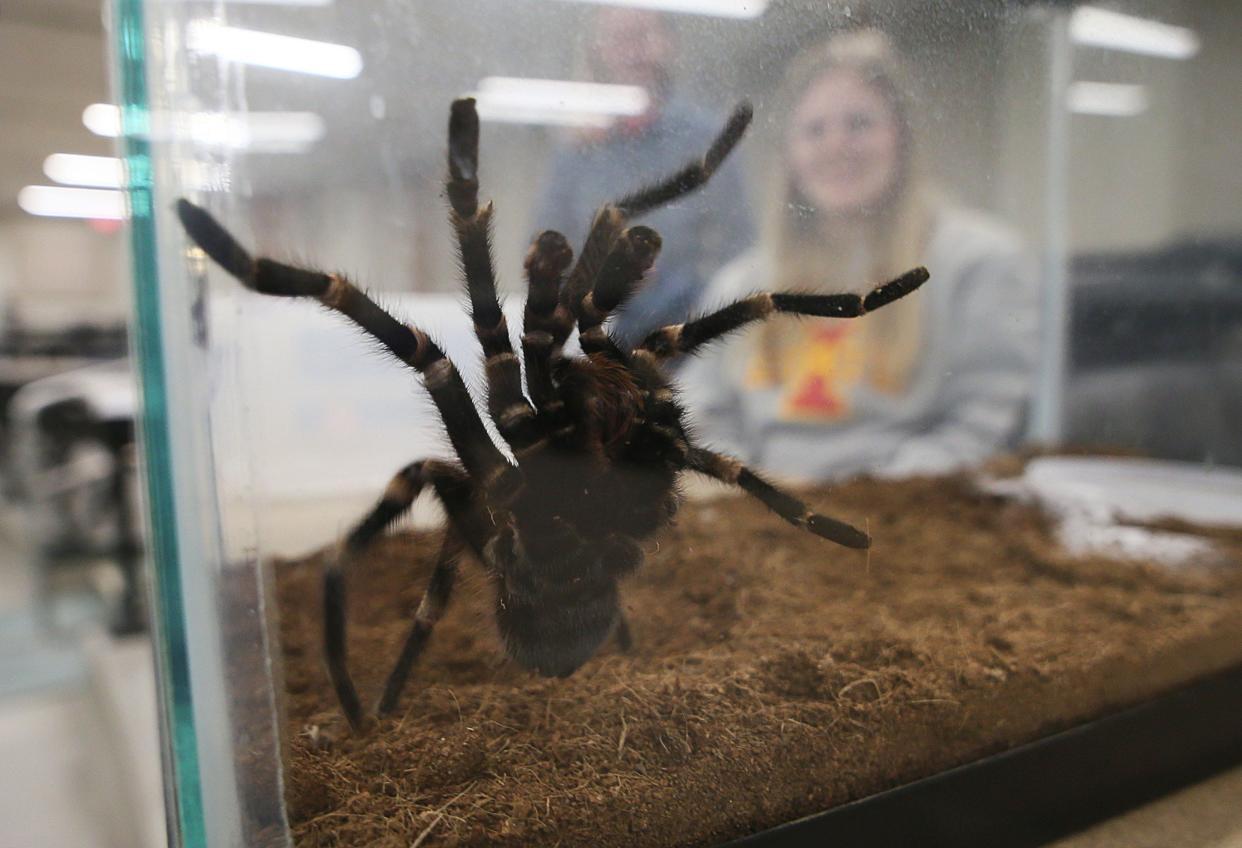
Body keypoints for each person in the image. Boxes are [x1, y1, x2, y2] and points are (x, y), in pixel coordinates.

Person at [680, 30, 1040, 482]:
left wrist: (858, 506)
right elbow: (700, 413)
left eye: (859, 123)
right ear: (789, 153)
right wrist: (755, 494)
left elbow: (981, 425)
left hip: (913, 520)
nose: (835, 146)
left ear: (903, 137)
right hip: (762, 520)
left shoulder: (977, 262)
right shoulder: (743, 281)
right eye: (814, 130)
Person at [533, 8, 753, 347]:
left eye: (642, 35)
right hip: (597, 343)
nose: (632, 52)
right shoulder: (576, 151)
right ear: (598, 49)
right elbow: (542, 250)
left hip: (696, 339)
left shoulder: (708, 140)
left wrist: (688, 290)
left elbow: (741, 246)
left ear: (670, 42)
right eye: (618, 39)